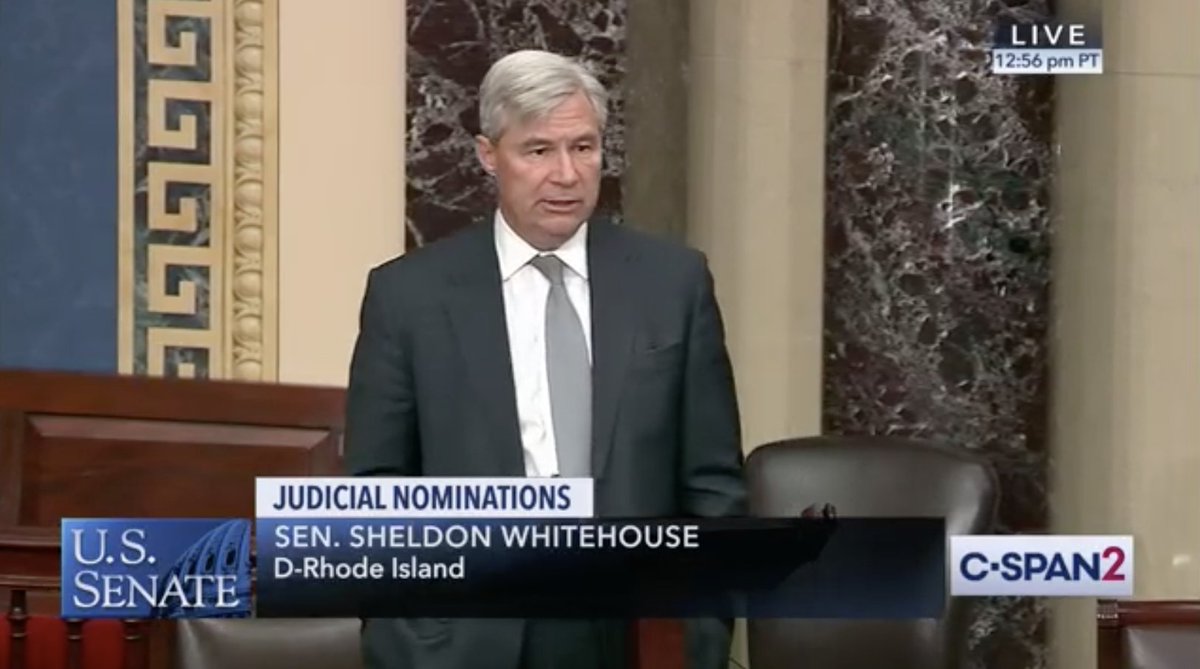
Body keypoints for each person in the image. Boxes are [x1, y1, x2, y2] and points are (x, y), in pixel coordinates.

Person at [345, 49, 746, 669]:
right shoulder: (409, 296)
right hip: (466, 638)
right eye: (539, 151)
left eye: (583, 148)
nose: (566, 174)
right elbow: (376, 493)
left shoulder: (673, 282)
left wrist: (700, 628)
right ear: (488, 155)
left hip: (635, 633)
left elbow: (712, 483)